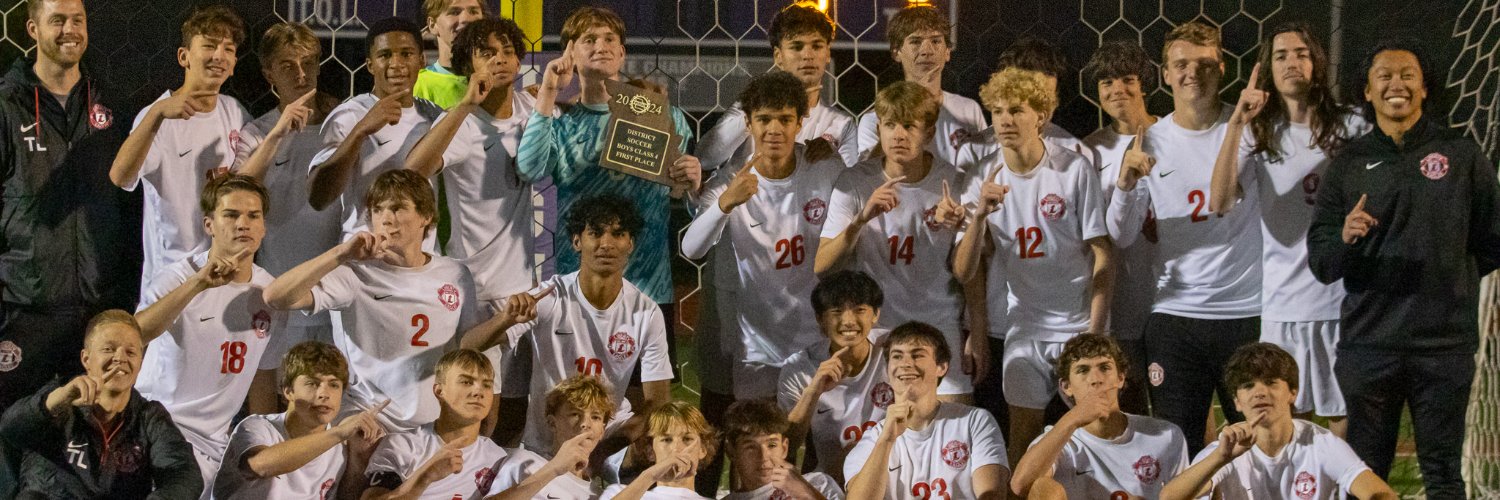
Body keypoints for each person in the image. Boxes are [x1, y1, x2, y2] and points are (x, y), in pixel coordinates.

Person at [1307, 39, 1500, 499]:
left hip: (1444, 346)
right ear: (1367, 91)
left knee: (1443, 473)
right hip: (1369, 346)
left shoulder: (1461, 154)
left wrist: (1447, 273)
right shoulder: (1348, 164)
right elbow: (1322, 262)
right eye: (1385, 76)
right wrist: (1346, 238)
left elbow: (1492, 241)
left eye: (1407, 75)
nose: (1397, 84)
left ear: (1425, 87)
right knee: (1367, 474)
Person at [1106, 22, 1263, 453]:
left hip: (1245, 312)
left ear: (1222, 68)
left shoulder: (1250, 130)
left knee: (1258, 449)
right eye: (1181, 64)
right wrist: (1124, 185)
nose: (1193, 72)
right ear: (1166, 74)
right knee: (1179, 449)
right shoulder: (1150, 141)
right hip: (1176, 317)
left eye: (1204, 63)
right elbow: (1121, 235)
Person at [1207, 23, 1368, 439]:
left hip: (1340, 301)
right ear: (1269, 69)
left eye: (1301, 53)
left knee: (1343, 420)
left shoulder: (1352, 126)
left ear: (1317, 63)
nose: (1292, 62)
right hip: (1282, 305)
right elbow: (1219, 201)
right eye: (1281, 56)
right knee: (1285, 426)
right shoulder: (1258, 130)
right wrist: (1236, 124)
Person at [265, 169, 508, 432]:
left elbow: (466, 345)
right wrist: (340, 253)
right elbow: (276, 297)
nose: (386, 219)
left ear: (426, 216)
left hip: (432, 423)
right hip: (371, 421)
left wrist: (507, 320)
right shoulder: (354, 274)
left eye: (398, 208)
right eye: (378, 210)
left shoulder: (455, 274)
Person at [953, 67, 1112, 467]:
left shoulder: (1073, 169)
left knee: (1095, 436)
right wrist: (979, 216)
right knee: (1022, 439)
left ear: (1040, 115)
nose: (1005, 120)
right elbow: (964, 270)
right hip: (1025, 327)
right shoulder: (982, 177)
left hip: (1077, 324)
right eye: (998, 111)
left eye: (1016, 110)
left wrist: (1094, 333)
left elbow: (1103, 254)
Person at [517, 5, 702, 344]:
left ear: (622, 52)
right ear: (570, 53)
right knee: (576, 380)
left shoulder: (664, 117)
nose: (600, 46)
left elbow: (681, 197)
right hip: (579, 289)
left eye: (609, 39)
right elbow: (529, 169)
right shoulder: (560, 123)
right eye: (588, 39)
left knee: (650, 381)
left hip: (647, 289)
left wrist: (691, 183)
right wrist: (548, 91)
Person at [0, 0, 139, 413]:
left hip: (99, 314)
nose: (70, 30)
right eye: (57, 20)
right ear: (32, 29)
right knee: (18, 433)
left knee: (91, 438)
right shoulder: (6, 104)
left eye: (77, 20)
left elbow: (132, 205)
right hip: (25, 312)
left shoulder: (111, 104)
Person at [403, 17, 540, 431]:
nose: (500, 60)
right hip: (476, 290)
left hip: (524, 287)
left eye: (508, 51)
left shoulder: (532, 109)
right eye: (487, 53)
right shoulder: (460, 124)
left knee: (521, 411)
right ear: (468, 65)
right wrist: (463, 105)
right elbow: (412, 172)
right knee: (481, 415)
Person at [462, 193, 673, 455]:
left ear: (630, 244)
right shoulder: (549, 297)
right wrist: (504, 319)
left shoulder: (646, 312)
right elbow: (468, 345)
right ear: (576, 241)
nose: (606, 243)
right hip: (546, 444)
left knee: (661, 451)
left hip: (607, 440)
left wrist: (605, 451)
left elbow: (658, 403)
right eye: (595, 233)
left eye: (618, 234)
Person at [683, 71, 845, 400]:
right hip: (755, 344)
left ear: (800, 123)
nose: (774, 129)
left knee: (815, 430)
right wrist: (725, 204)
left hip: (815, 339)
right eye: (764, 119)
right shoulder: (732, 180)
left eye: (785, 119)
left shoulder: (825, 168)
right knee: (757, 432)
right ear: (749, 123)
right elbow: (692, 249)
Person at [816, 81, 976, 401]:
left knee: (951, 422)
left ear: (929, 134)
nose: (899, 135)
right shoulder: (855, 181)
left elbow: (970, 272)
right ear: (879, 130)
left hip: (938, 323)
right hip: (878, 328)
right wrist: (861, 220)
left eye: (909, 126)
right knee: (885, 425)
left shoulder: (954, 182)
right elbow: (822, 267)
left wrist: (978, 331)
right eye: (890, 125)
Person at [132, 174, 287, 494]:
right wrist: (198, 284)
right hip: (155, 426)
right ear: (209, 225)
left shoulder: (270, 293)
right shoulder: (178, 277)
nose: (243, 224)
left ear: (263, 227)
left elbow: (263, 374)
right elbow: (136, 335)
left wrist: (261, 440)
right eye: (231, 215)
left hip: (212, 445)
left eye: (253, 216)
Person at [232, 22, 343, 411]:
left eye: (308, 63)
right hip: (278, 293)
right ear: (268, 73)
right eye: (287, 65)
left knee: (332, 403)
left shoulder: (342, 123)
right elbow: (236, 192)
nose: (301, 74)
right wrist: (278, 133)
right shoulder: (257, 131)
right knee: (272, 404)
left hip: (336, 295)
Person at [109, 5, 252, 295]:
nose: (219, 56)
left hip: (222, 275)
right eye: (209, 45)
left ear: (234, 63)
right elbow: (120, 178)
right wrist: (156, 114)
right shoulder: (156, 115)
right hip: (171, 279)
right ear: (183, 57)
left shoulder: (235, 112)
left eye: (228, 49)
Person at [0, 310, 202, 498]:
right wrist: (58, 400)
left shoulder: (149, 417)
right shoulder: (57, 401)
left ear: (141, 362)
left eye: (131, 352)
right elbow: (11, 429)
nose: (120, 358)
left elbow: (184, 475)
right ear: (86, 359)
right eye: (108, 349)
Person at [1160, 343, 1398, 500]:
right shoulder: (1225, 449)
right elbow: (1169, 497)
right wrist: (1220, 458)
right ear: (1237, 402)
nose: (1260, 392)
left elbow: (1381, 494)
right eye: (1248, 386)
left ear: (1293, 393)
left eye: (1271, 382)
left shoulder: (1321, 443)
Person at [307, 17, 442, 247]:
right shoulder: (349, 115)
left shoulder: (436, 117)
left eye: (406, 54)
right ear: (370, 65)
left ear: (421, 60)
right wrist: (360, 131)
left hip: (419, 259)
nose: (396, 64)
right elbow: (318, 198)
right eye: (385, 55)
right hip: (365, 259)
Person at [1079, 40, 1159, 415]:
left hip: (1173, 303)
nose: (1117, 90)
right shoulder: (1090, 151)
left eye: (1127, 79)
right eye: (1106, 82)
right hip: (1121, 306)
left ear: (1144, 84)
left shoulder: (1173, 135)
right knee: (1128, 412)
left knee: (1182, 412)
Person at [1008, 334, 1187, 499]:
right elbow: (1020, 485)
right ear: (1066, 387)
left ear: (1121, 378)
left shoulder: (1166, 435)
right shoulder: (1058, 441)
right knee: (1043, 487)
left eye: (1104, 368)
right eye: (1083, 370)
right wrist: (1072, 419)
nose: (1096, 379)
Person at [844, 322, 1008, 499]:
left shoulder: (974, 421)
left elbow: (992, 495)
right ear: (888, 369)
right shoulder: (874, 438)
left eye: (917, 355)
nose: (905, 364)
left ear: (941, 367)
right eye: (897, 356)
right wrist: (886, 440)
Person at [696, 3, 859, 173]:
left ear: (828, 54)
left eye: (817, 46)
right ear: (778, 56)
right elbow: (705, 159)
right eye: (797, 47)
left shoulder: (841, 124)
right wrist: (762, 109)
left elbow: (851, 183)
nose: (808, 55)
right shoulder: (748, 106)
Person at [211, 341, 384, 500]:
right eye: (312, 383)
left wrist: (359, 459)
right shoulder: (257, 427)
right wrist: (338, 433)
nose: (324, 394)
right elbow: (259, 465)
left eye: (334, 385)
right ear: (288, 391)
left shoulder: (339, 451)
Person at [777, 270, 889, 484]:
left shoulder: (895, 349)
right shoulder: (799, 367)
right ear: (820, 319)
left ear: (875, 314)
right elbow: (786, 446)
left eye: (860, 310)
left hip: (891, 472)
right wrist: (813, 391)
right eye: (837, 311)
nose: (848, 321)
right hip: (832, 481)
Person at [361, 349, 517, 499]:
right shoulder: (402, 446)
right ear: (439, 391)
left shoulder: (499, 459)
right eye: (466, 382)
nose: (478, 392)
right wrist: (425, 476)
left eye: (487, 385)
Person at [854, 4, 987, 169]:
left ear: (947, 52)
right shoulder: (874, 119)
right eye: (916, 42)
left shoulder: (968, 110)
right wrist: (912, 102)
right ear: (896, 52)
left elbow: (985, 166)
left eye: (935, 41)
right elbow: (867, 173)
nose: (927, 51)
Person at [959, 37, 1090, 170]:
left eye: (1048, 97)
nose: (1044, 107)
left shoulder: (1075, 150)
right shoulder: (974, 151)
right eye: (1034, 98)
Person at [486, 375, 611, 499]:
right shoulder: (523, 461)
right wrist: (554, 469)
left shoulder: (602, 493)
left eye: (595, 417)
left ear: (602, 431)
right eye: (575, 414)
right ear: (552, 423)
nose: (585, 423)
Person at [721, 400, 845, 500]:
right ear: (731, 452)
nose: (764, 457)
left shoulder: (817, 484)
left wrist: (807, 494)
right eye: (751, 447)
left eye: (772, 445)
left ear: (784, 448)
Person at [600, 401, 717, 500]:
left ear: (702, 449)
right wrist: (650, 476)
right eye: (667, 440)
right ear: (650, 451)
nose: (676, 448)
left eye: (687, 439)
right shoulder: (617, 492)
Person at [414, 0, 487, 109]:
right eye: (454, 12)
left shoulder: (498, 78)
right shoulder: (417, 84)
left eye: (473, 11)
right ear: (432, 25)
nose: (466, 19)